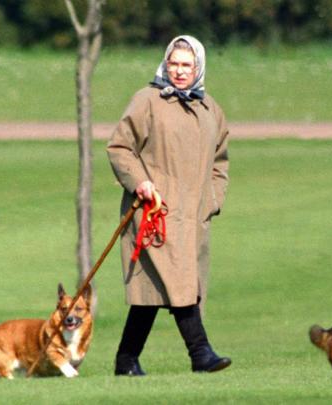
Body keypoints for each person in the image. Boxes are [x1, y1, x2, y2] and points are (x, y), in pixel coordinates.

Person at [107, 35, 231, 375]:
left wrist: (213, 200)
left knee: (154, 292)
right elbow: (119, 148)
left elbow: (221, 161)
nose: (179, 71)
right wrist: (139, 182)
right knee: (180, 283)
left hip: (193, 218)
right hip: (153, 215)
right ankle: (200, 354)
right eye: (174, 63)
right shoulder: (147, 100)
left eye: (186, 65)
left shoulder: (211, 110)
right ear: (165, 63)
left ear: (198, 67)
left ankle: (126, 360)